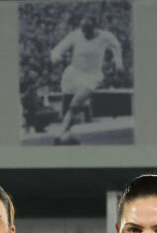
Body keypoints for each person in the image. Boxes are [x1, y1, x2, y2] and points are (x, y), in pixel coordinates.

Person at [48, 14, 123, 144]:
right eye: (83, 29)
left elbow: (116, 46)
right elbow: (59, 48)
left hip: (92, 76)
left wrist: (119, 63)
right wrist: (56, 57)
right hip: (73, 74)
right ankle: (66, 134)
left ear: (94, 27)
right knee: (66, 108)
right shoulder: (75, 35)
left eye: (87, 29)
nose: (84, 33)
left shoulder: (105, 36)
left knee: (75, 104)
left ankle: (60, 136)